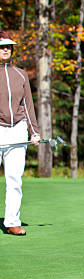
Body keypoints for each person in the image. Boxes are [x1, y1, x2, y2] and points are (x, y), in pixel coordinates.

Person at [0, 31, 40, 236]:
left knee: (14, 179)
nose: (6, 49)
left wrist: (34, 132)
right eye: (2, 46)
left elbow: (28, 106)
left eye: (8, 46)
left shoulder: (20, 74)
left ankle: (12, 222)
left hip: (17, 131)